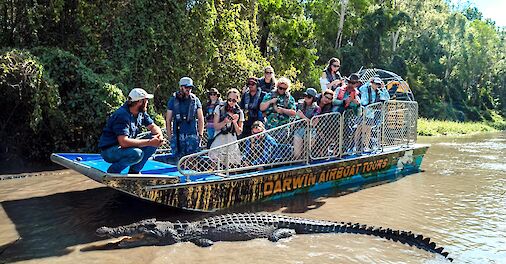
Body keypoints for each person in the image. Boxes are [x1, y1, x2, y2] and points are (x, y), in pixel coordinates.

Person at [98, 88, 164, 174]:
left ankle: (134, 172)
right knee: (137, 154)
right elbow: (123, 142)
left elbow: (153, 126)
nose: (147, 103)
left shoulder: (141, 112)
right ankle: (113, 171)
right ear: (140, 102)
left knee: (154, 142)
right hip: (110, 151)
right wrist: (149, 142)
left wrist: (159, 137)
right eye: (146, 100)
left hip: (124, 148)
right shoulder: (122, 115)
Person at [166, 77, 205, 159]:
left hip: (192, 134)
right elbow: (168, 119)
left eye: (190, 88)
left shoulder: (195, 100)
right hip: (177, 135)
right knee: (177, 160)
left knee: (193, 160)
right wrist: (170, 136)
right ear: (181, 87)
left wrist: (200, 135)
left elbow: (201, 118)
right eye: (186, 87)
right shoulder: (173, 100)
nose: (189, 89)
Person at [208, 88, 244, 166]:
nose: (231, 102)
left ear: (237, 100)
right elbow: (216, 126)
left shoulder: (239, 112)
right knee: (214, 163)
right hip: (219, 138)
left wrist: (234, 122)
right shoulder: (219, 108)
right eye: (229, 100)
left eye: (234, 100)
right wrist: (224, 122)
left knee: (231, 165)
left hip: (232, 140)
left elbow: (239, 132)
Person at [359, 76, 390, 151]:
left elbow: (387, 98)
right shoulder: (366, 89)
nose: (376, 86)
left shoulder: (378, 91)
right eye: (375, 83)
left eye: (378, 84)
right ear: (371, 83)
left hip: (370, 113)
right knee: (359, 129)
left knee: (368, 129)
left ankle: (365, 146)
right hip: (362, 111)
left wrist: (383, 88)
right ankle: (356, 146)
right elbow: (361, 88)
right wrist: (368, 82)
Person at [337, 73, 363, 153]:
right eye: (350, 82)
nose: (351, 85)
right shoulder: (339, 90)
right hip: (337, 116)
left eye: (353, 83)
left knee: (348, 132)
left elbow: (359, 113)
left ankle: (344, 151)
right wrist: (344, 101)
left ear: (357, 84)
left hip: (349, 118)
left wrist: (358, 104)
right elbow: (333, 102)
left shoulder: (357, 94)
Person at [293, 88, 321, 159]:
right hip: (299, 129)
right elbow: (294, 116)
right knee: (297, 154)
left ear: (313, 98)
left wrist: (303, 117)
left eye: (309, 97)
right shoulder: (299, 105)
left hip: (310, 131)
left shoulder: (317, 108)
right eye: (305, 96)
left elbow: (313, 124)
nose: (306, 98)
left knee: (306, 153)